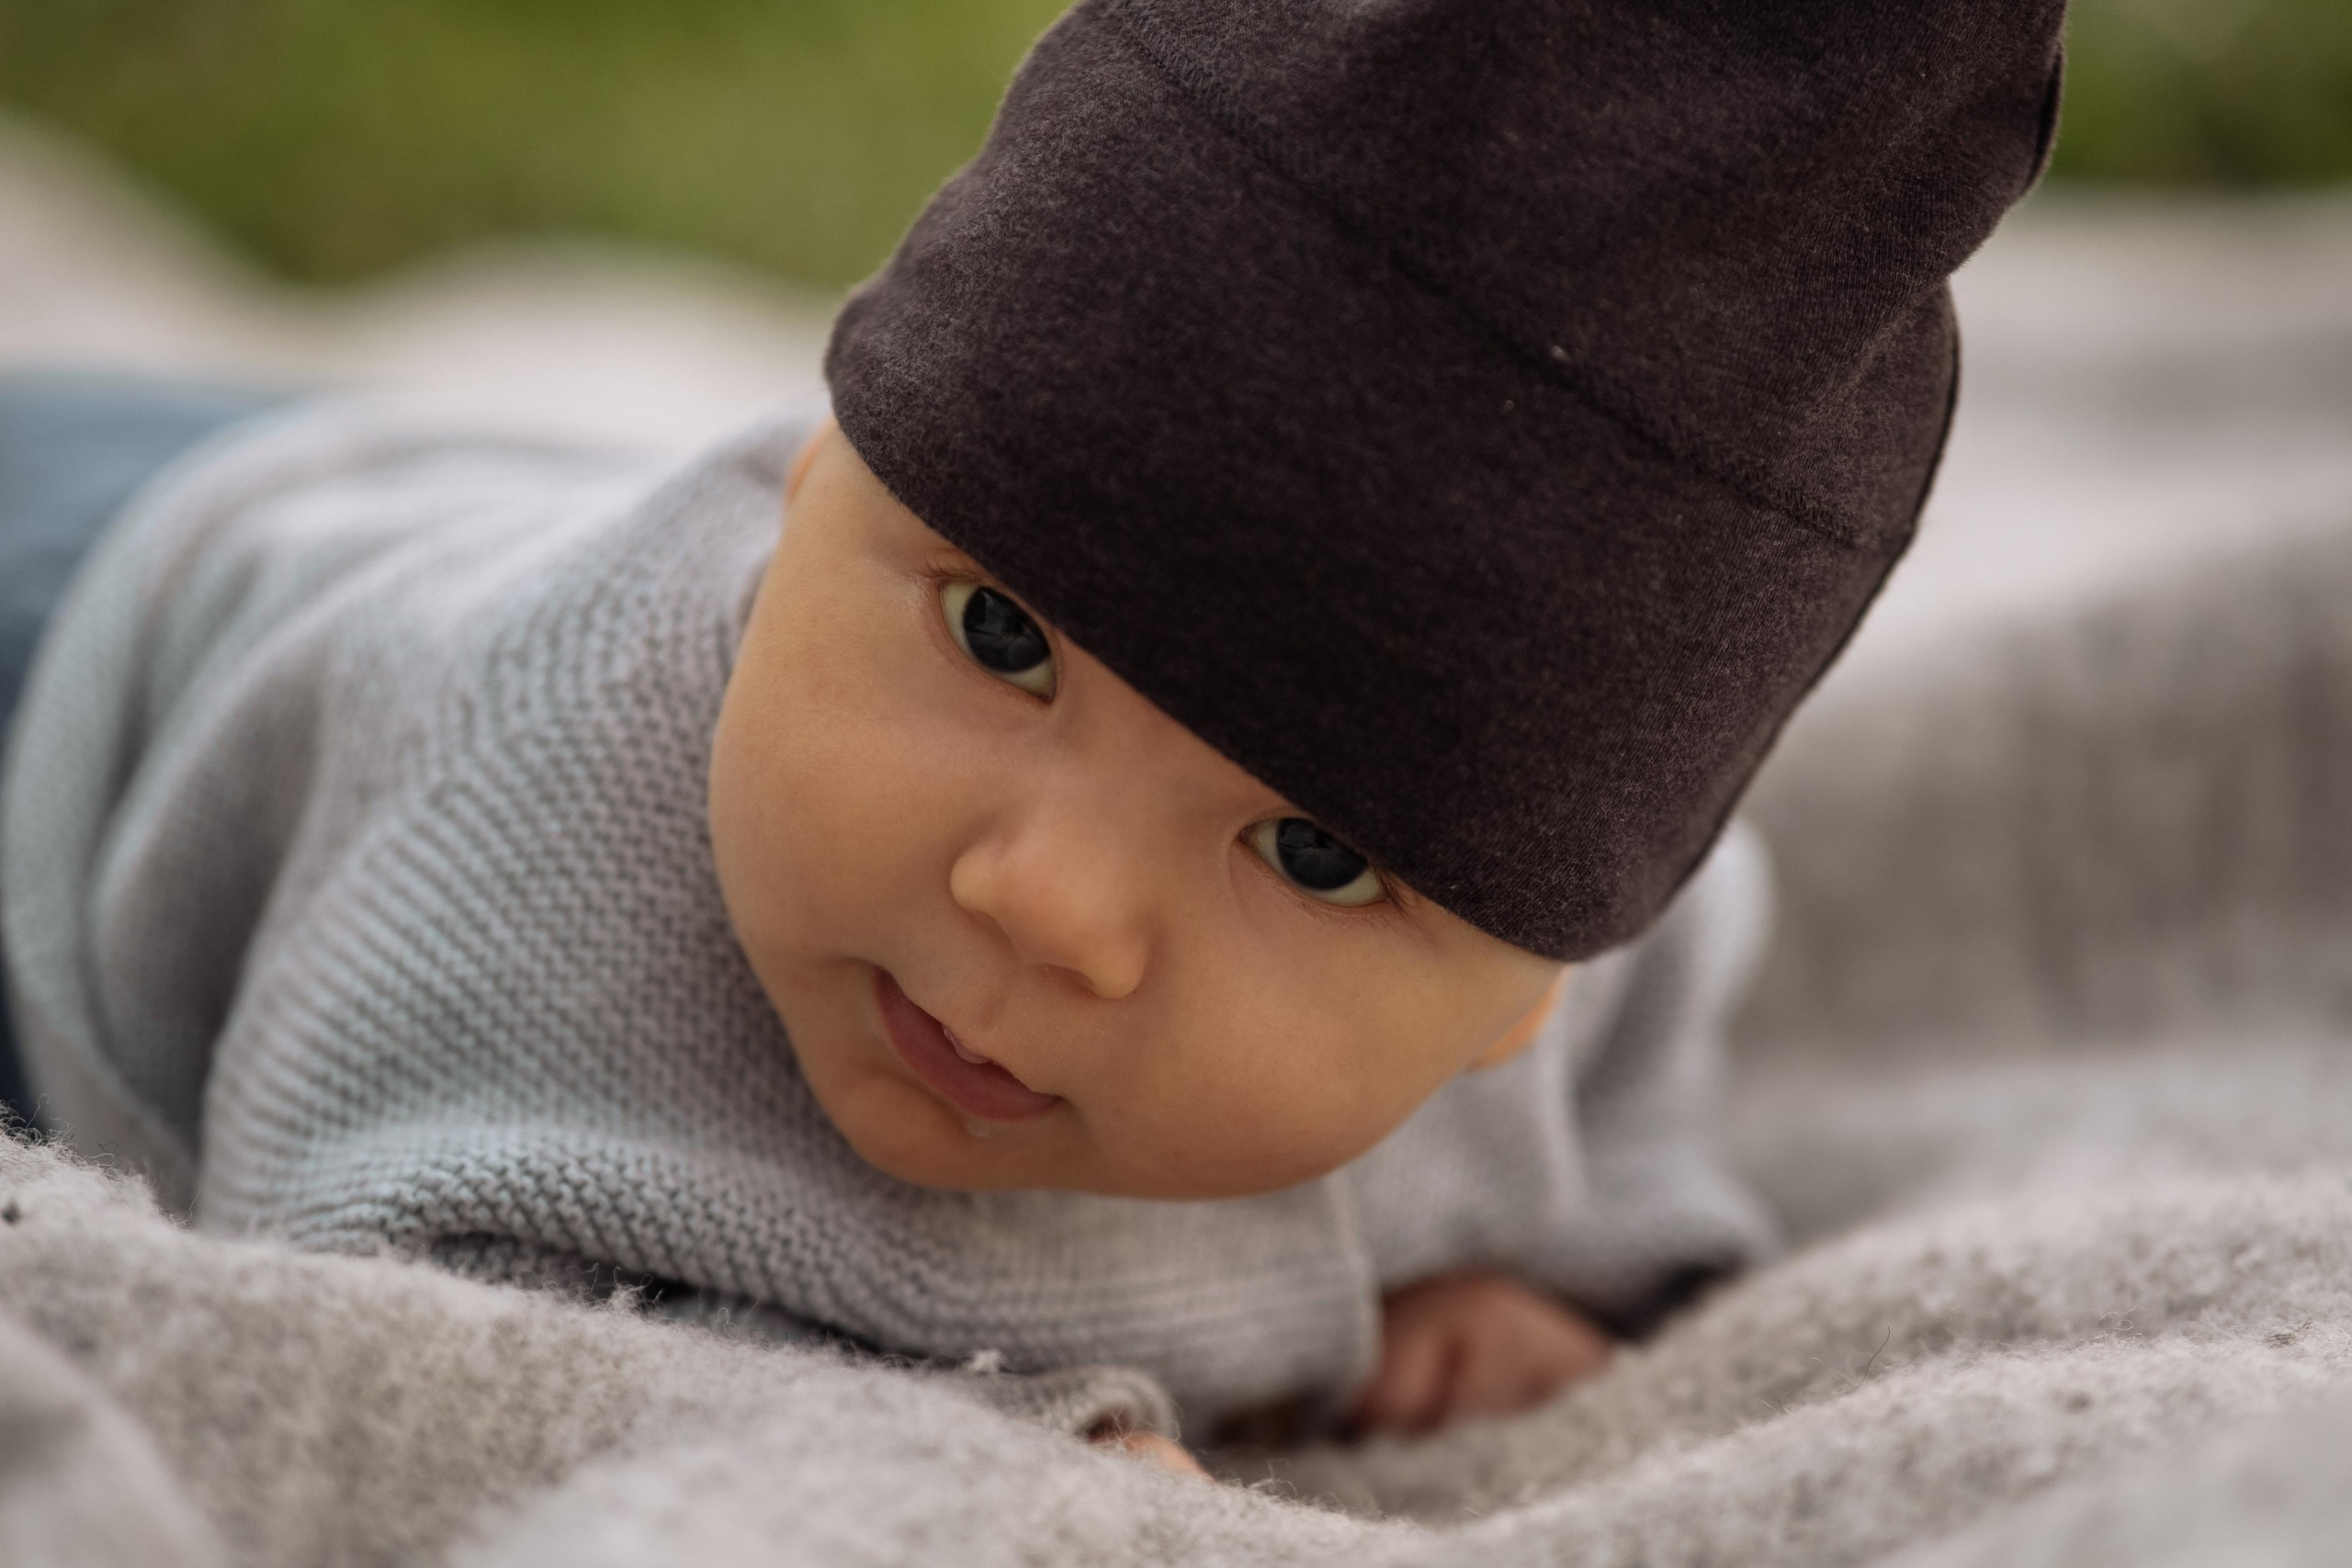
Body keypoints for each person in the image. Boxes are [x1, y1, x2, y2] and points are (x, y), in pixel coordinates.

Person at [0, 0, 2066, 1473]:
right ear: (826, 469)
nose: (1048, 901)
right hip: (85, 641)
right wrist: (978, 1461)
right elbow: (402, 1323)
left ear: (1535, 972)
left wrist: (1556, 1269)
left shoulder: (1580, 925)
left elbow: (1643, 1048)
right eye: (999, 631)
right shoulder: (528, 845)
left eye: (1317, 850)